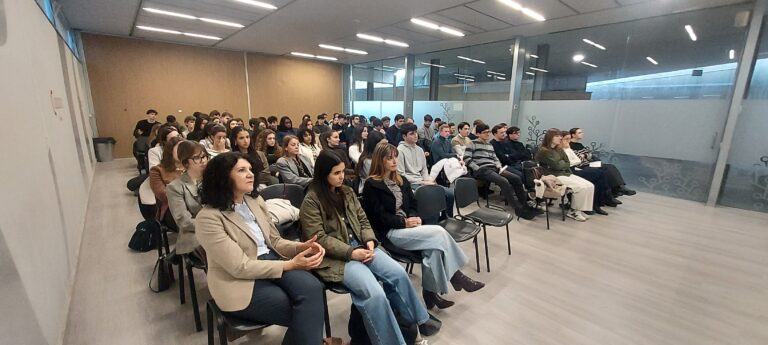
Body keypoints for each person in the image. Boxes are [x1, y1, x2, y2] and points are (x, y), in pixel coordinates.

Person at [300, 152, 441, 345]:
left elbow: (363, 220)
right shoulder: (311, 201)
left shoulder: (347, 192)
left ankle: (417, 328)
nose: (341, 177)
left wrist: (369, 241)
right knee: (375, 294)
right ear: (323, 174)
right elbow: (321, 239)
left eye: (342, 172)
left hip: (362, 247)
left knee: (399, 274)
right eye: (336, 173)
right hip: (339, 258)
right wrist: (352, 252)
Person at [195, 152, 334, 345]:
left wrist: (302, 246)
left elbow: (274, 242)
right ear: (223, 176)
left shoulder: (254, 201)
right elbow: (239, 267)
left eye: (250, 169)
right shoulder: (208, 218)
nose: (250, 174)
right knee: (300, 308)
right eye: (242, 170)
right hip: (238, 281)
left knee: (314, 289)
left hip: (271, 260)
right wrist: (291, 265)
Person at [362, 143, 484, 310]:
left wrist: (412, 217)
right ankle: (456, 276)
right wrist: (404, 222)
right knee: (439, 232)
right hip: (391, 232)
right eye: (389, 158)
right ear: (379, 161)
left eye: (395, 156)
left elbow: (412, 204)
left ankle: (430, 294)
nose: (394, 161)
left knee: (433, 250)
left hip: (409, 228)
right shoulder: (371, 185)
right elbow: (377, 217)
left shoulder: (400, 180)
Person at [464, 124, 539, 220]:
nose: (488, 134)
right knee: (503, 181)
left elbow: (495, 158)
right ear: (478, 134)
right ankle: (517, 208)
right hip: (482, 169)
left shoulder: (489, 145)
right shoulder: (472, 143)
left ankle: (525, 204)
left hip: (494, 168)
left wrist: (499, 167)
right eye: (485, 132)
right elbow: (466, 158)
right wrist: (477, 168)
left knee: (516, 178)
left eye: (488, 132)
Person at [535, 129, 595, 222]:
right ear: (550, 137)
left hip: (564, 173)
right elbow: (556, 165)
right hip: (553, 175)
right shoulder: (544, 151)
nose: (560, 138)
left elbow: (567, 161)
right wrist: (562, 164)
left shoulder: (559, 149)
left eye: (560, 136)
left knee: (590, 186)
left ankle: (580, 210)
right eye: (557, 136)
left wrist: (561, 163)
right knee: (581, 187)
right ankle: (573, 211)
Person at [397, 124, 455, 218]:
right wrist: (422, 182)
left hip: (422, 181)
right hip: (410, 183)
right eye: (412, 134)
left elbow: (424, 169)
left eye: (416, 132)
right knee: (431, 197)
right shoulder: (400, 150)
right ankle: (431, 220)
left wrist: (428, 180)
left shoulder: (420, 149)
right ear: (404, 136)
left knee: (450, 194)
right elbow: (401, 174)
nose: (415, 135)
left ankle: (446, 218)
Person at [167, 141, 208, 260]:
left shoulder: (214, 179)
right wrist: (212, 224)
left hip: (219, 227)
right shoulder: (175, 187)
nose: (203, 160)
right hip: (193, 233)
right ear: (185, 163)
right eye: (196, 158)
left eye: (204, 156)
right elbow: (184, 222)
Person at [560, 131, 617, 214]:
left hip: (575, 168)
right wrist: (571, 161)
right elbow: (566, 163)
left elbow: (578, 159)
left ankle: (597, 204)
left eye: (569, 139)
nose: (569, 141)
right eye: (566, 139)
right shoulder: (559, 150)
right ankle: (605, 198)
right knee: (598, 174)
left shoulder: (568, 148)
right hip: (569, 171)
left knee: (600, 174)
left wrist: (572, 161)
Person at [569, 128, 636, 197]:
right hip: (581, 166)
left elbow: (589, 155)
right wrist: (585, 155)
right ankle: (614, 190)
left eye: (582, 132)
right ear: (573, 135)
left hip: (588, 163)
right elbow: (578, 157)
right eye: (579, 133)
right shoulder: (569, 145)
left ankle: (620, 187)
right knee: (604, 170)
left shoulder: (580, 145)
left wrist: (585, 155)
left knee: (610, 167)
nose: (582, 134)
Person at [149, 137, 184, 229]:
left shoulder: (193, 166)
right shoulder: (157, 170)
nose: (184, 152)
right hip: (172, 208)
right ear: (170, 151)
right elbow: (162, 194)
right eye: (179, 149)